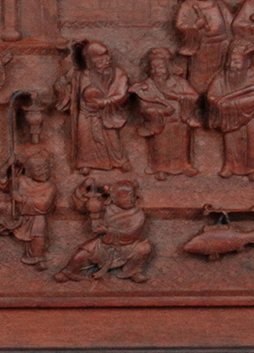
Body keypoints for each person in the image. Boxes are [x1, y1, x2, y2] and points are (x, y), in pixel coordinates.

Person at [53, 178, 153, 282]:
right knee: (83, 251)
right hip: (104, 244)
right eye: (124, 196)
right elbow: (81, 207)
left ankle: (134, 271)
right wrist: (83, 188)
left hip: (128, 246)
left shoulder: (137, 214)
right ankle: (68, 271)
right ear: (114, 198)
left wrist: (106, 230)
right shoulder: (107, 208)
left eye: (131, 196)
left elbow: (132, 233)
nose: (129, 200)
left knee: (144, 248)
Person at [57, 40, 131, 172]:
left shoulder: (118, 74)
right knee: (84, 138)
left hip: (108, 112)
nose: (106, 60)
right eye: (99, 57)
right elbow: (72, 92)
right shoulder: (82, 76)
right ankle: (85, 163)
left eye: (106, 55)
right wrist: (64, 86)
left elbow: (122, 94)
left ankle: (118, 160)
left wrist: (103, 102)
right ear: (90, 60)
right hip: (86, 113)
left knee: (112, 137)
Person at [130, 46, 199, 176]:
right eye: (153, 68)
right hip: (160, 122)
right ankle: (159, 168)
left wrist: (178, 97)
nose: (157, 71)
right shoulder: (147, 86)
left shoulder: (179, 82)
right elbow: (144, 107)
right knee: (160, 147)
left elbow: (194, 96)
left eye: (160, 67)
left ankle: (184, 166)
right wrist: (160, 112)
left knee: (182, 145)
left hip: (179, 122)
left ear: (169, 68)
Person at [205, 38, 254, 178]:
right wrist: (215, 100)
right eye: (231, 61)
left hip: (252, 117)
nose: (232, 65)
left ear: (247, 62)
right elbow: (211, 94)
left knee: (253, 142)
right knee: (231, 142)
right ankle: (230, 166)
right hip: (230, 118)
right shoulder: (222, 77)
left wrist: (229, 104)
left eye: (237, 61)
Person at [0, 151, 57, 267]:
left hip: (34, 215)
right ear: (29, 171)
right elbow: (2, 183)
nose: (43, 171)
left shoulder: (50, 186)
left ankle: (36, 256)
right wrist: (7, 165)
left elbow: (43, 205)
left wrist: (21, 199)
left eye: (45, 167)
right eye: (38, 169)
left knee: (39, 228)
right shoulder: (21, 180)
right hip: (17, 211)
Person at [172, 0, 233, 90]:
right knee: (201, 76)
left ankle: (218, 94)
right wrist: (195, 26)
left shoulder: (216, 2)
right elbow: (180, 24)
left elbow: (229, 20)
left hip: (222, 44)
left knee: (221, 74)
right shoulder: (189, 5)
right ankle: (199, 94)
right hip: (203, 47)